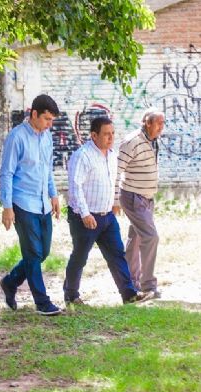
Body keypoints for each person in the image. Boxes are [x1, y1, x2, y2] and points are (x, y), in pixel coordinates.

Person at [63, 117, 144, 307]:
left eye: (113, 133)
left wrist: (115, 202)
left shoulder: (112, 156)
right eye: (106, 134)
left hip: (107, 216)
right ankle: (71, 295)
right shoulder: (82, 156)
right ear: (94, 135)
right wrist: (85, 214)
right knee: (80, 256)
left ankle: (128, 294)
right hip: (85, 218)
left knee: (117, 255)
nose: (111, 138)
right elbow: (75, 187)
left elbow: (114, 181)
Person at [0, 94, 62, 316]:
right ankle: (42, 302)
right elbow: (6, 173)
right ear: (34, 114)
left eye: (52, 120)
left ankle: (10, 282)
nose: (49, 124)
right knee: (33, 253)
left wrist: (54, 195)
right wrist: (7, 207)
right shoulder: (17, 137)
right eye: (46, 119)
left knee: (42, 252)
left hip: (43, 203)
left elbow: (47, 169)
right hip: (22, 203)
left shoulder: (47, 137)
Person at [114, 108, 165, 300]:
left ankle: (129, 283)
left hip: (146, 198)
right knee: (151, 237)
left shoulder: (153, 141)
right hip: (133, 196)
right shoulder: (132, 141)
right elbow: (117, 170)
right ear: (147, 123)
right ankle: (148, 286)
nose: (161, 127)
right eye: (158, 123)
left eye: (163, 123)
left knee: (135, 240)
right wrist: (115, 199)